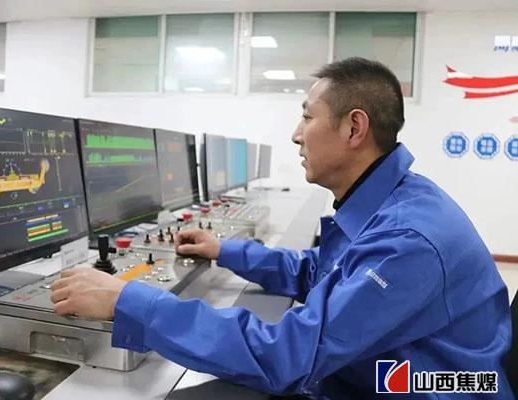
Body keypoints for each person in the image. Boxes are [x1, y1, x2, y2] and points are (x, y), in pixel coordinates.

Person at [50, 57, 512, 398]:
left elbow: (287, 355)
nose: (296, 133)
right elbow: (320, 272)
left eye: (307, 116)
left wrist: (128, 301)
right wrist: (224, 251)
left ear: (354, 129)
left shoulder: (407, 240)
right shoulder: (391, 203)